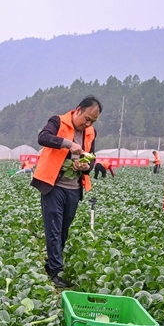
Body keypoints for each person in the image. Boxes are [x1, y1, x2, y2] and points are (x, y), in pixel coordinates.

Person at [32, 95, 102, 288]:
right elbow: (43, 138)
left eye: (92, 121)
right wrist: (68, 144)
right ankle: (56, 271)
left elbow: (92, 159)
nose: (87, 124)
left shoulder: (90, 132)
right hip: (53, 185)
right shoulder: (58, 121)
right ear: (78, 110)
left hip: (74, 188)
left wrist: (84, 166)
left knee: (63, 230)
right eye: (86, 118)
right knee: (53, 229)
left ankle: (51, 265)